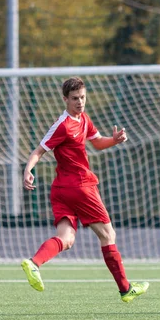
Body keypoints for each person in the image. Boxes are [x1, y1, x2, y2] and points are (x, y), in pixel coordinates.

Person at [21, 77, 149, 303]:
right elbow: (39, 150)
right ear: (65, 100)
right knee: (108, 235)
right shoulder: (63, 125)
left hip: (61, 189)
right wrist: (28, 169)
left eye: (82, 97)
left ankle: (34, 263)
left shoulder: (84, 119)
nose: (80, 102)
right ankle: (125, 289)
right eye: (74, 99)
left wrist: (114, 140)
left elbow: (97, 142)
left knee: (66, 239)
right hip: (81, 188)